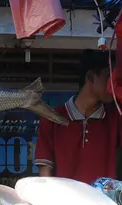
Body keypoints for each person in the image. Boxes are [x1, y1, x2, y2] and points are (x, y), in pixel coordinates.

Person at [34, 49, 121, 184]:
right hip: (64, 202)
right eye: (109, 77)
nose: (114, 84)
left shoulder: (116, 118)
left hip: (104, 202)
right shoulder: (51, 118)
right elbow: (45, 173)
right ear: (91, 76)